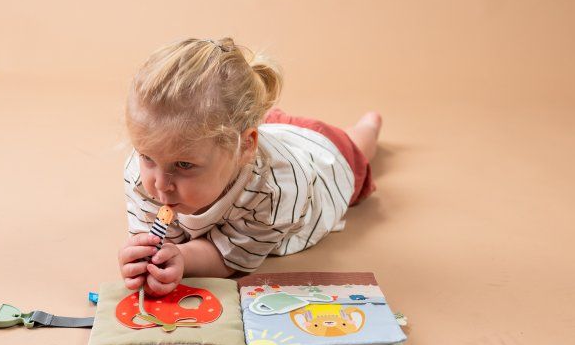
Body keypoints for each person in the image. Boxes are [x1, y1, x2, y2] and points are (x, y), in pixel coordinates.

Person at [118, 37, 381, 296]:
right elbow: (158, 238)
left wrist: (183, 258)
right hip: (264, 131)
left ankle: (369, 125)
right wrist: (143, 255)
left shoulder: (275, 190)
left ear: (244, 147)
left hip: (321, 155)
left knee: (357, 147)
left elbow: (228, 255)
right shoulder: (144, 172)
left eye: (184, 164)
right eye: (147, 157)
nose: (160, 184)